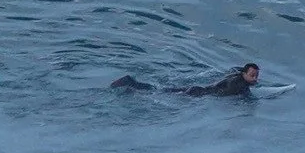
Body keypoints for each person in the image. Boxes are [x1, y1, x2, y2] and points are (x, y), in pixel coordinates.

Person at [111, 62, 262, 96]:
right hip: (197, 93)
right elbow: (224, 94)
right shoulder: (237, 83)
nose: (255, 78)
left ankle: (133, 85)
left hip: (198, 89)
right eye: (252, 75)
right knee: (160, 93)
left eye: (256, 76)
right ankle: (131, 86)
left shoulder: (236, 75)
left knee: (162, 91)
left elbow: (233, 70)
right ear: (244, 74)